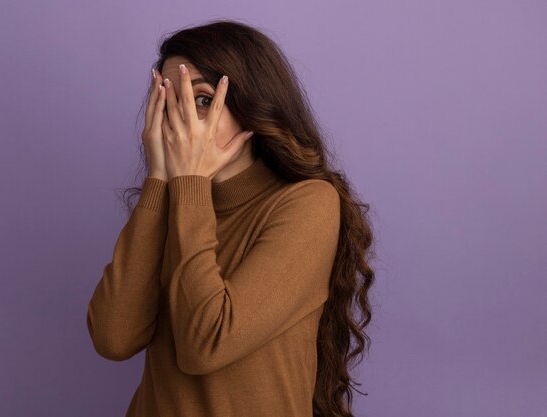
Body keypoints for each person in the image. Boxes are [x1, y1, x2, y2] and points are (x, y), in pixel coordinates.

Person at [86, 19, 376, 417]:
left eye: (202, 100)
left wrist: (189, 185)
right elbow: (113, 337)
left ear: (251, 107)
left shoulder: (308, 204)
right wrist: (158, 179)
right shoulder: (171, 205)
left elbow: (207, 343)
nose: (181, 119)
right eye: (168, 102)